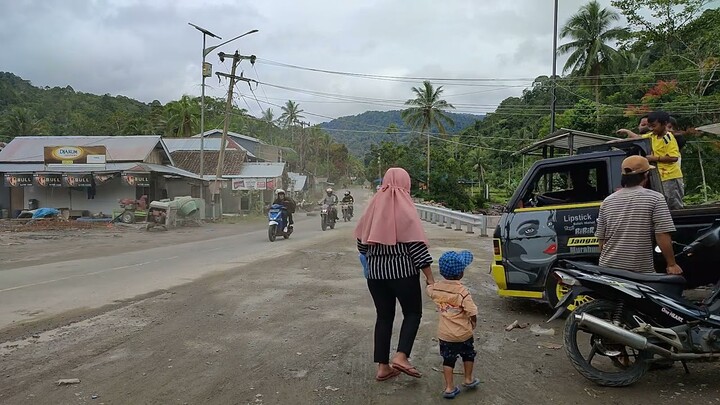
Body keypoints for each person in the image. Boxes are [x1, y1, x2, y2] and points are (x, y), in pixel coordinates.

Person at [355, 167, 435, 382]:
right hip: (403, 275)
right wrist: (430, 278)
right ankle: (401, 356)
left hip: (376, 277)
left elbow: (362, 246)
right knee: (412, 314)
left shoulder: (372, 206)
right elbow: (417, 250)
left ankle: (383, 367)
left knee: (384, 317)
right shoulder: (405, 209)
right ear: (405, 184)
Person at [595, 156, 682, 275]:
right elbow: (662, 234)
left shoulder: (607, 201)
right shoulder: (655, 198)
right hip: (639, 270)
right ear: (646, 175)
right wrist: (672, 264)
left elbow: (601, 240)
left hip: (608, 269)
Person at [427, 250, 480, 399]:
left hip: (445, 334)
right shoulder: (462, 292)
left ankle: (449, 387)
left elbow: (429, 289)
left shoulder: (436, 289)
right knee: (468, 355)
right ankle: (468, 379)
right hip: (464, 333)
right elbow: (471, 310)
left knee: (448, 360)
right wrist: (473, 322)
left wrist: (429, 283)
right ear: (461, 273)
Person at [645, 111, 684, 209]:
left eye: (654, 126)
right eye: (649, 126)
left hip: (670, 176)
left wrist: (654, 158)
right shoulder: (652, 136)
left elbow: (674, 157)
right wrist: (626, 133)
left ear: (664, 124)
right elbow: (638, 138)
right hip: (659, 176)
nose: (651, 129)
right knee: (662, 205)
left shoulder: (668, 138)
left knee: (673, 203)